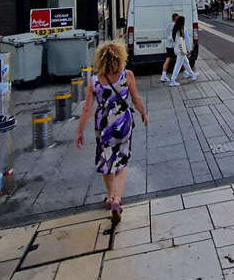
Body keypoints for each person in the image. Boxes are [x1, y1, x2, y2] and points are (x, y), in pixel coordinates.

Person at [76, 41, 147, 225]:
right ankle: (117, 200)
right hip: (123, 123)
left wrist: (80, 131)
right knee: (122, 162)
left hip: (104, 126)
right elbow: (136, 99)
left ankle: (110, 197)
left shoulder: (94, 81)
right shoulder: (127, 76)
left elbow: (86, 109)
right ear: (121, 57)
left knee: (107, 161)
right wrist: (143, 114)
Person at [169, 15, 197, 86]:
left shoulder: (175, 28)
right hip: (181, 49)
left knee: (186, 62)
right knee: (178, 65)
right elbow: (186, 40)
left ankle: (192, 75)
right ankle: (172, 80)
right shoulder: (183, 29)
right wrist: (189, 50)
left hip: (176, 48)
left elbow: (172, 40)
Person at [160, 12, 178, 83]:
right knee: (181, 59)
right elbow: (174, 37)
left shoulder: (168, 25)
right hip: (173, 46)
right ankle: (186, 73)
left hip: (168, 46)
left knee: (168, 59)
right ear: (176, 19)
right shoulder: (175, 26)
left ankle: (163, 75)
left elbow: (167, 35)